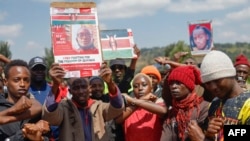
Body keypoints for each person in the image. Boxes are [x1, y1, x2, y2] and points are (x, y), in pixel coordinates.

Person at [42, 62, 124, 141]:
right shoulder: (64, 107)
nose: (81, 91)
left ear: (90, 89)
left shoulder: (98, 106)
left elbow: (117, 107)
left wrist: (110, 83)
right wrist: (56, 85)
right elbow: (50, 116)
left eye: (84, 87)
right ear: (70, 91)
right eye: (76, 88)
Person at [199, 50, 250, 140]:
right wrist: (209, 134)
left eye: (217, 80)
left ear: (231, 74)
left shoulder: (248, 104)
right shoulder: (214, 104)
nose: (213, 87)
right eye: (208, 83)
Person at [0, 59, 48, 140]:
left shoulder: (35, 109)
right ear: (6, 82)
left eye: (26, 80)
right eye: (16, 80)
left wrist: (39, 139)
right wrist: (24, 133)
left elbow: (46, 137)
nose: (22, 84)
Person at [115, 73, 164, 141]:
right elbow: (117, 121)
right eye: (135, 86)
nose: (140, 88)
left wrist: (134, 100)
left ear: (151, 89)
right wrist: (140, 101)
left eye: (144, 85)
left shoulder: (157, 104)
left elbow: (163, 111)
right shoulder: (128, 106)